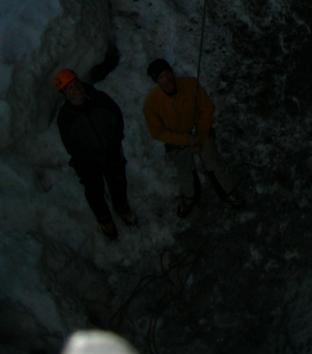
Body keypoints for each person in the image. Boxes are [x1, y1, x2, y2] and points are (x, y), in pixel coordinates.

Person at [143, 58, 238, 216]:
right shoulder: (150, 103)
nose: (167, 79)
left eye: (167, 73)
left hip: (200, 132)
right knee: (184, 171)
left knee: (213, 161)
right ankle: (189, 196)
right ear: (156, 82)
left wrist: (200, 134)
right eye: (161, 77)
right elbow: (157, 132)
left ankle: (229, 190)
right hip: (176, 140)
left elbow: (207, 108)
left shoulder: (191, 84)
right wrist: (186, 139)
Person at [55, 68, 137, 240]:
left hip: (111, 151)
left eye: (75, 84)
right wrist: (85, 159)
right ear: (65, 94)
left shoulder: (99, 99)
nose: (75, 90)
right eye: (69, 88)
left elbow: (117, 117)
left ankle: (122, 208)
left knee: (118, 181)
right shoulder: (65, 118)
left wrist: (115, 141)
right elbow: (70, 145)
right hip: (87, 161)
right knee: (94, 191)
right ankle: (104, 219)